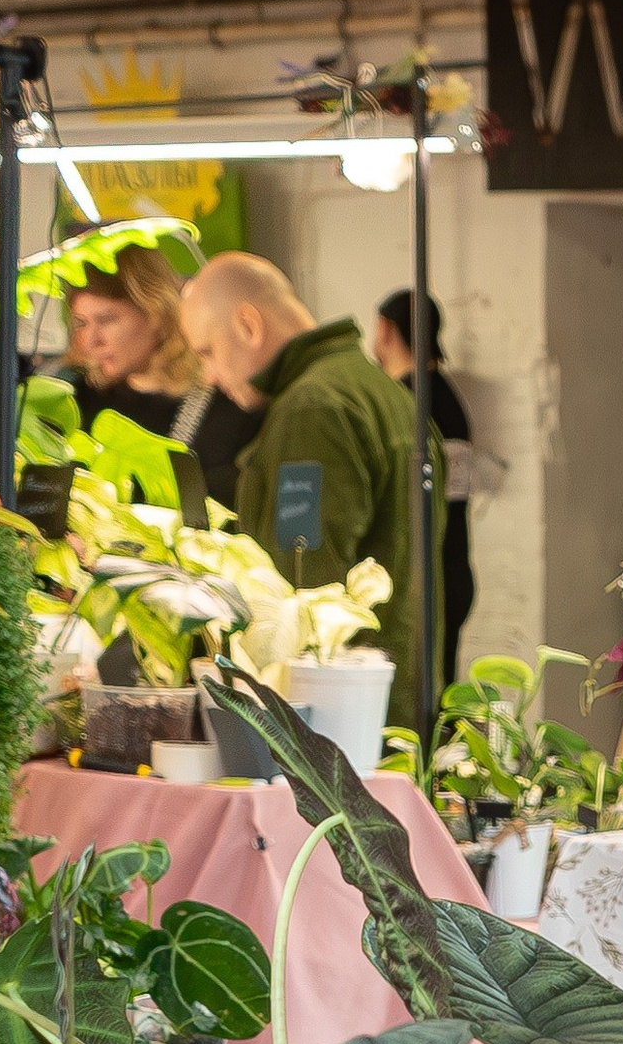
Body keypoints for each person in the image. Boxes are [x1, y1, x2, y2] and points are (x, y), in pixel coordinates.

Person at [178, 252, 440, 731]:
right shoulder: (386, 396)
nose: (210, 377)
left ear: (248, 324)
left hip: (328, 728)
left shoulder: (313, 410)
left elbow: (296, 591)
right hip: (392, 708)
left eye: (207, 352)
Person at [63, 242, 256, 496]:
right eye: (81, 323)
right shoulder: (73, 404)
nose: (91, 340)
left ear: (156, 312)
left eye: (106, 320)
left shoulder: (229, 404)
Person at [372, 287, 476, 679]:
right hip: (455, 569)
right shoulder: (448, 398)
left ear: (385, 330)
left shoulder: (404, 403)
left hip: (421, 580)